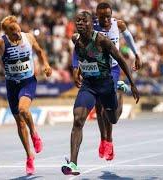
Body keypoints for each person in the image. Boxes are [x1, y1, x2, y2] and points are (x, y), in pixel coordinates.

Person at [61, 11, 140, 175]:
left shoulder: (102, 40)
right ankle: (73, 164)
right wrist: (76, 68)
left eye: (84, 21)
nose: (80, 23)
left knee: (112, 118)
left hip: (105, 85)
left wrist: (132, 84)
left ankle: (119, 89)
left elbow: (121, 60)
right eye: (78, 21)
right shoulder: (76, 39)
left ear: (91, 23)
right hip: (88, 86)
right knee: (78, 119)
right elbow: (76, 52)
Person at [0, 15, 52, 175]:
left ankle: (34, 134)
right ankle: (29, 156)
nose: (17, 33)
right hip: (11, 85)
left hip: (28, 81)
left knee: (23, 110)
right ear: (6, 33)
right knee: (19, 123)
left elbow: (39, 50)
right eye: (13, 31)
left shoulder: (28, 37)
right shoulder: (0, 43)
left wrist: (46, 64)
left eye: (18, 29)